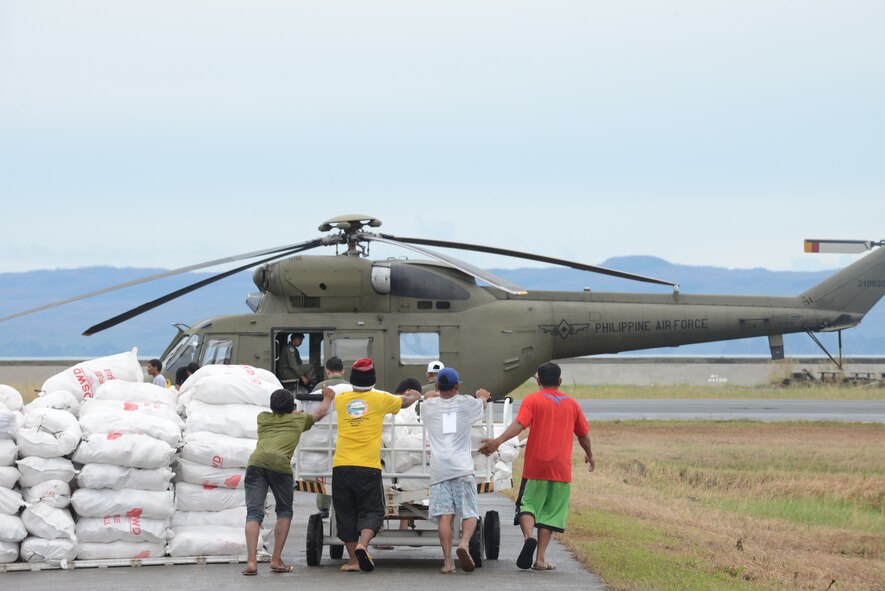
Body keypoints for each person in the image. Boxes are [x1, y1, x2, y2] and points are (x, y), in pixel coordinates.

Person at [478, 362, 594, 571]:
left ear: (538, 380)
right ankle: (540, 559)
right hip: (561, 470)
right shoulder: (572, 404)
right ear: (560, 381)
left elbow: (519, 424)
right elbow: (583, 434)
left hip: (536, 467)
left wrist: (497, 440)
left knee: (527, 506)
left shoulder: (533, 400)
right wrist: (590, 455)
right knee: (550, 514)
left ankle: (527, 538)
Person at [332, 358, 420, 572]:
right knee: (373, 510)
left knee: (345, 513)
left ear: (352, 380)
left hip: (341, 465)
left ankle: (353, 560)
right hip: (367, 467)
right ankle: (364, 544)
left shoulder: (341, 400)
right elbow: (405, 402)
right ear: (373, 380)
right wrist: (414, 395)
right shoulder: (381, 399)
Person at [243, 387, 335, 575]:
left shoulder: (263, 418)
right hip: (280, 467)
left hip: (256, 464)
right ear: (291, 406)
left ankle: (251, 562)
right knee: (284, 511)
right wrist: (328, 397)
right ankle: (276, 560)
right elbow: (320, 413)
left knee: (253, 513)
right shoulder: (299, 420)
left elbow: (282, 415)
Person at [420, 367, 490, 574]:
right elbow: (482, 404)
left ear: (437, 386)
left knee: (445, 516)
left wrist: (431, 394)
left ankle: (448, 561)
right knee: (469, 512)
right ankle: (465, 544)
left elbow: (427, 397)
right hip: (462, 467)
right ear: (457, 386)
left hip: (439, 468)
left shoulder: (429, 407)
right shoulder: (467, 403)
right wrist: (483, 396)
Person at [311, 356, 348, 517]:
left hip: (324, 436)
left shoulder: (320, 387)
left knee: (324, 472)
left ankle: (324, 507)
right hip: (345, 434)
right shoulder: (351, 387)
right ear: (344, 371)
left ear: (327, 371)